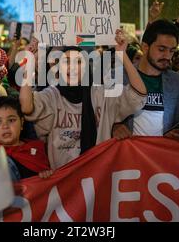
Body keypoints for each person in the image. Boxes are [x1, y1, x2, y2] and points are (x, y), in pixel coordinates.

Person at [19, 29, 147, 169]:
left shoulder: (102, 94)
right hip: (64, 180)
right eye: (66, 61)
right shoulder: (52, 95)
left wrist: (122, 55)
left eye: (78, 62)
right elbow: (26, 107)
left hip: (99, 176)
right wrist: (30, 62)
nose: (72, 67)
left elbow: (139, 93)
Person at [116, 20, 179, 140]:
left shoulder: (176, 80)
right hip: (127, 154)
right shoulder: (119, 77)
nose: (167, 56)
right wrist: (115, 126)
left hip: (160, 155)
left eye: (172, 51)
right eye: (161, 49)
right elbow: (102, 117)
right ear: (145, 47)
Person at [0, 96, 51, 180]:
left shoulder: (36, 149)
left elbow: (46, 181)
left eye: (11, 120)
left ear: (22, 123)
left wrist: (46, 175)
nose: (5, 126)